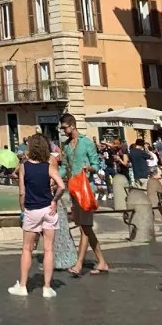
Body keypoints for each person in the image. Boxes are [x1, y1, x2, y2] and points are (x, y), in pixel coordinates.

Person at [8, 134, 66, 299]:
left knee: (27, 249)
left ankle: (23, 286)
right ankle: (47, 288)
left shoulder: (24, 167)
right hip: (49, 209)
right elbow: (61, 186)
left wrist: (22, 210)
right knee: (49, 249)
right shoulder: (49, 166)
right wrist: (55, 200)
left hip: (32, 210)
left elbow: (21, 192)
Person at [59, 112, 109, 276]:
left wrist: (90, 168)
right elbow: (64, 167)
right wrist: (53, 176)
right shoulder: (65, 145)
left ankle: (79, 264)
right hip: (73, 189)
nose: (63, 131)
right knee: (84, 227)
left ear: (72, 126)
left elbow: (96, 164)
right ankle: (101, 262)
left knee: (85, 227)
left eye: (64, 127)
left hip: (86, 189)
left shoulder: (87, 143)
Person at [50, 143, 78, 271]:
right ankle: (55, 260)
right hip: (49, 199)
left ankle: (67, 259)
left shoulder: (52, 161)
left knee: (60, 230)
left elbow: (58, 184)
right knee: (54, 233)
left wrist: (51, 186)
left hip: (54, 200)